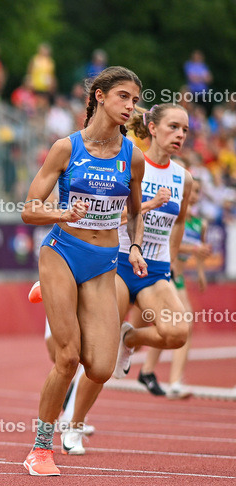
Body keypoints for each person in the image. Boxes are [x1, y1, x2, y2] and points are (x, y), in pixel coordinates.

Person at [20, 66, 146, 476]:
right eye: (123, 96)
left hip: (103, 262)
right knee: (68, 357)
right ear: (99, 96)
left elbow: (134, 212)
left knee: (102, 368)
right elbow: (28, 209)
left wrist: (138, 246)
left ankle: (57, 294)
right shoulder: (65, 148)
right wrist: (61, 211)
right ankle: (40, 448)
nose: (130, 106)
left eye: (135, 99)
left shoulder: (133, 156)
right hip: (63, 250)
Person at [61, 103, 194, 454]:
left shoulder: (184, 178)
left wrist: (174, 259)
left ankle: (130, 337)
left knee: (178, 332)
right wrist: (149, 206)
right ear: (152, 127)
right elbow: (113, 212)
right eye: (174, 127)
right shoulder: (132, 162)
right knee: (100, 355)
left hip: (155, 269)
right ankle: (73, 424)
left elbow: (179, 220)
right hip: (118, 262)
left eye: (185, 130)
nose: (180, 135)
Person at [140, 177, 211, 399]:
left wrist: (199, 273)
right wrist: (191, 250)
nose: (196, 196)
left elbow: (199, 251)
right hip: (162, 272)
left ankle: (170, 379)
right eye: (194, 191)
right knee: (175, 324)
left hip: (178, 278)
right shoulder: (174, 215)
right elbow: (172, 244)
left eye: (199, 192)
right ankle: (150, 369)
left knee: (180, 327)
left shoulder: (201, 224)